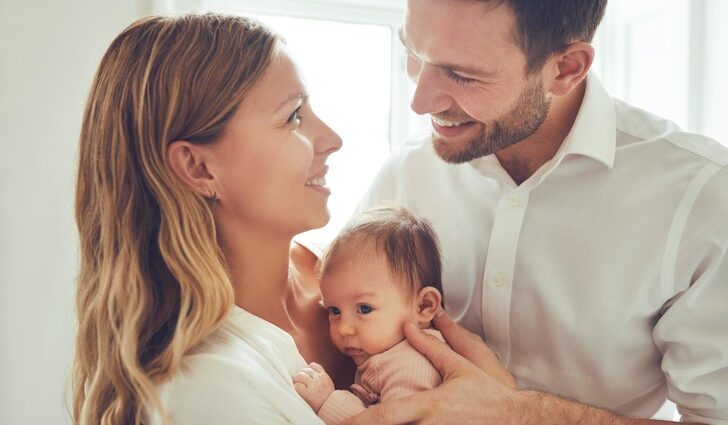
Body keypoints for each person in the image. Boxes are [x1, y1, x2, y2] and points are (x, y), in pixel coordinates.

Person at [292, 0, 728, 424]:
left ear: (566, 68)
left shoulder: (701, 198)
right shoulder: (409, 170)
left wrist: (520, 414)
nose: (421, 102)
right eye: (413, 52)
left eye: (462, 76)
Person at [71, 14, 354, 425]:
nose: (332, 139)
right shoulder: (207, 388)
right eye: (293, 116)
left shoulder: (358, 264)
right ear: (198, 168)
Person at [293, 207, 469, 424]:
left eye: (364, 309)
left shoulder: (411, 364)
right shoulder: (390, 356)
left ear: (424, 307)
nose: (343, 328)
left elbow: (396, 420)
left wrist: (328, 401)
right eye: (334, 311)